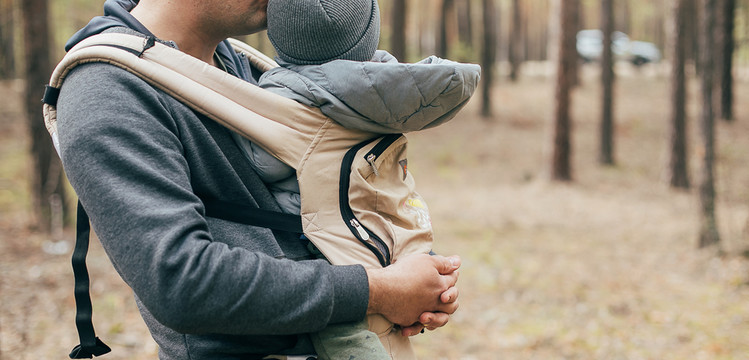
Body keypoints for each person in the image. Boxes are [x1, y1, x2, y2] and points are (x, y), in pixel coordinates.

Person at [54, 0, 461, 359]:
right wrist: (379, 291)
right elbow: (181, 282)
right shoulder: (107, 90)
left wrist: (408, 275)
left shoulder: (241, 64)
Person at [226, 0, 479, 358]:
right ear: (367, 34)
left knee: (344, 335)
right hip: (389, 233)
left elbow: (262, 163)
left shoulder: (288, 94)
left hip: (327, 251)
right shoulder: (383, 86)